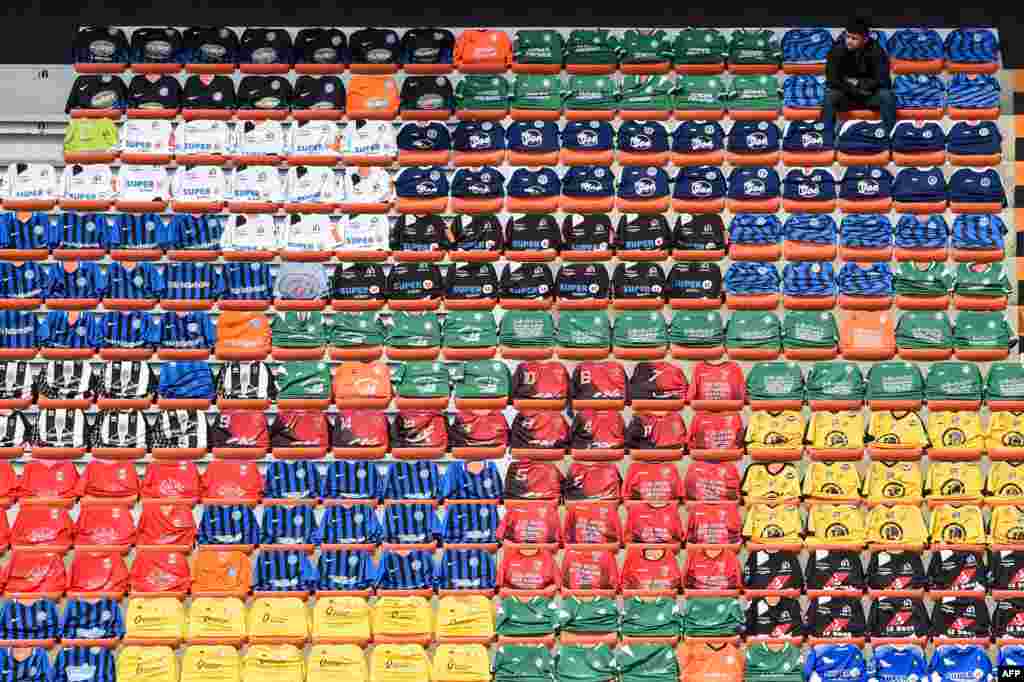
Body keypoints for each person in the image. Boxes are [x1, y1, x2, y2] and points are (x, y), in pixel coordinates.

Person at [822, 17, 895, 134]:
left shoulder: (877, 51)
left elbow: (883, 80)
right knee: (830, 95)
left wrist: (857, 83)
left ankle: (889, 138)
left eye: (854, 38)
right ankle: (827, 138)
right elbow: (832, 80)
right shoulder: (837, 49)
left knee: (887, 95)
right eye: (847, 36)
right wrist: (854, 87)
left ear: (865, 39)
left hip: (869, 96)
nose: (849, 41)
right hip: (846, 95)